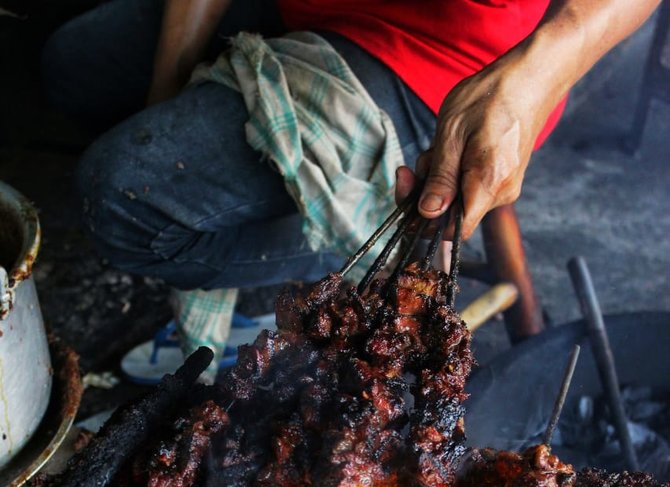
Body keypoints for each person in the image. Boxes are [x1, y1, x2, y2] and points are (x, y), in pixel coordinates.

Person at [42, 0, 661, 370]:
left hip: (454, 55)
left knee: (121, 200)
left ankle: (357, 244)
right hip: (310, 9)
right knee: (72, 64)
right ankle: (292, 237)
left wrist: (533, 81)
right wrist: (169, 93)